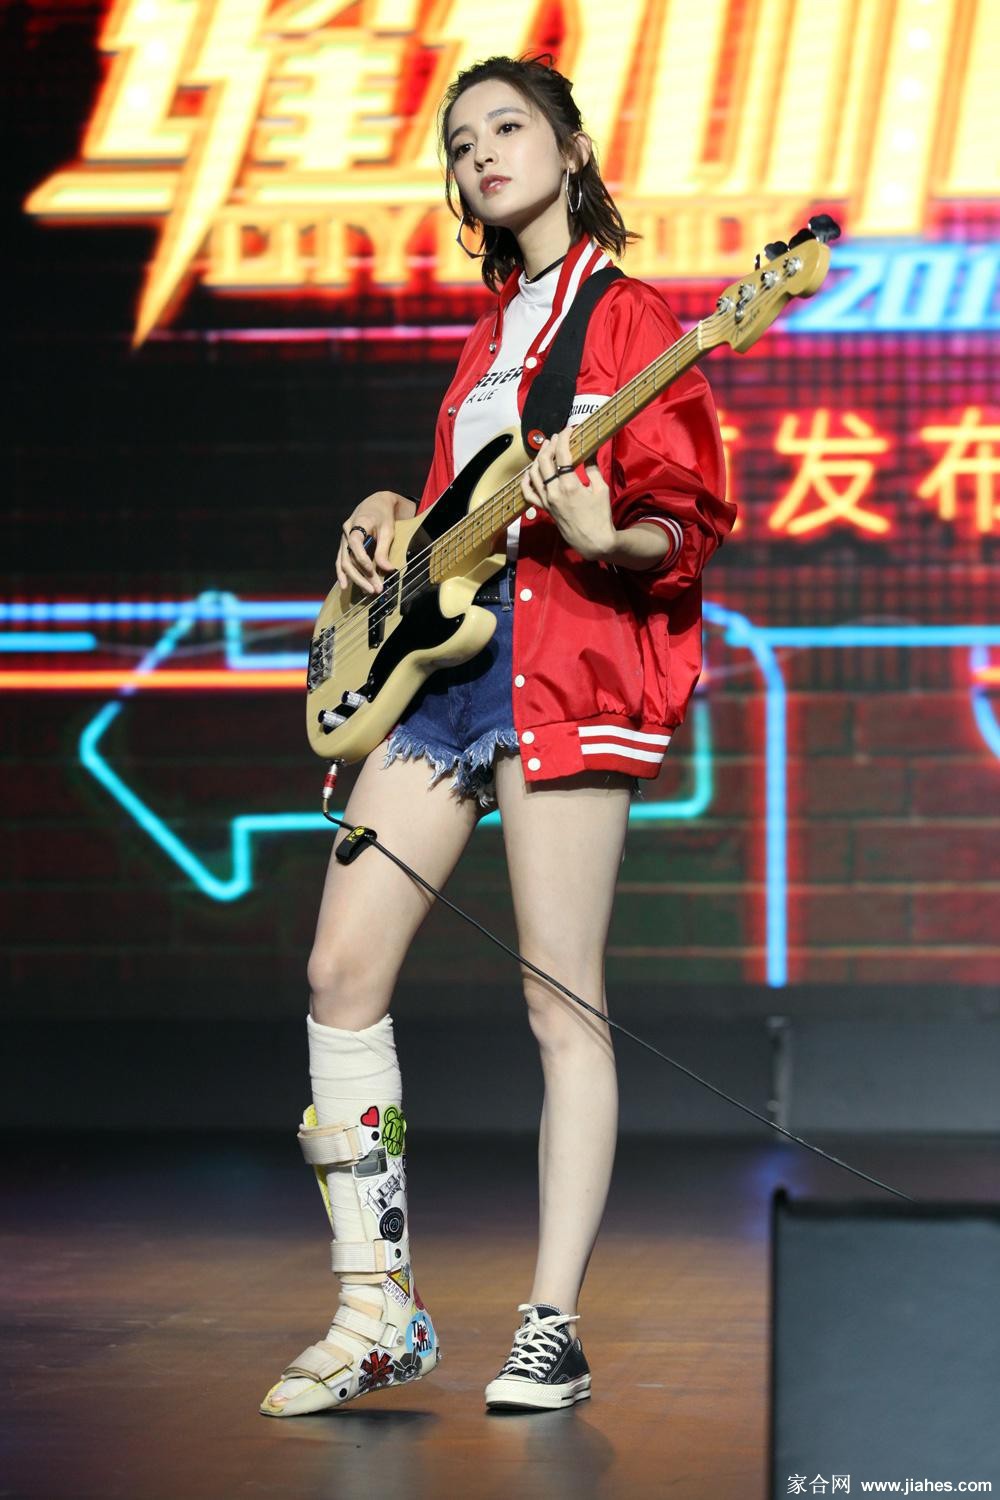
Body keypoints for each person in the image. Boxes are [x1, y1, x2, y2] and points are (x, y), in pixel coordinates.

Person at [260, 52, 733, 1419]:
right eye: (462, 141)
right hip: (445, 680)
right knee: (339, 970)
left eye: (508, 127)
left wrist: (610, 536)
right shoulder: (486, 340)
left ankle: (552, 1326)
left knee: (557, 999)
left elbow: (685, 518)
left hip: (564, 668)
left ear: (571, 148)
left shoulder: (631, 317)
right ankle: (376, 1309)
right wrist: (378, 522)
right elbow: (445, 522)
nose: (482, 155)